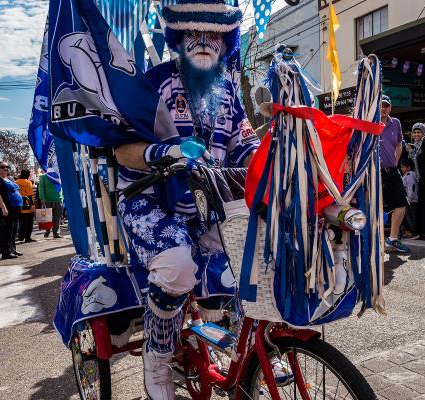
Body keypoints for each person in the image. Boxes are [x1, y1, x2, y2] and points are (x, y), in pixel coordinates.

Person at [113, 2, 260, 397]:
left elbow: (245, 144)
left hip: (210, 199)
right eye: (194, 34)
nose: (203, 43)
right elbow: (121, 150)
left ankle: (259, 351)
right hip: (151, 199)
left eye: (213, 35)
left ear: (224, 43)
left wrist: (275, 160)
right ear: (178, 39)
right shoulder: (153, 82)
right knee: (178, 268)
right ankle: (157, 356)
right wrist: (163, 153)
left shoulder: (228, 88)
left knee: (255, 252)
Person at [379, 95, 410, 253]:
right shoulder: (370, 122)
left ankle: (393, 239)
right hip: (374, 173)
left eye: (386, 105)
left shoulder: (395, 122)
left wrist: (395, 162)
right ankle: (375, 240)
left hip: (392, 171)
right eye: (380, 105)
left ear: (390, 108)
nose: (383, 108)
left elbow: (399, 144)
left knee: (401, 204)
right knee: (375, 206)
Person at [0, 161, 22, 260]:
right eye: (2, 167)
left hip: (13, 209)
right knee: (6, 231)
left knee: (12, 231)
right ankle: (6, 252)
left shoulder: (6, 179)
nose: (5, 168)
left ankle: (12, 249)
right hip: (5, 210)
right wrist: (3, 208)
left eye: (7, 167)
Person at [38, 173, 63, 238]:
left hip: (58, 200)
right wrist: (42, 198)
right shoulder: (44, 177)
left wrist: (62, 198)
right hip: (47, 200)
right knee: (47, 218)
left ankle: (56, 233)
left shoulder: (59, 176)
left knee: (57, 218)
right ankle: (48, 230)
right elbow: (41, 188)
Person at [399, 158, 419, 240]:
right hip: (409, 200)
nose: (401, 169)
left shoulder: (409, 175)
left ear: (409, 167)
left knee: (410, 217)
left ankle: (414, 233)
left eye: (403, 167)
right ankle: (407, 232)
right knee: (407, 217)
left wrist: (409, 199)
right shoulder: (409, 175)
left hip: (410, 201)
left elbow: (411, 188)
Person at [16, 170, 36, 242]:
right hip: (27, 206)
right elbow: (30, 195)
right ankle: (27, 237)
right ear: (27, 175)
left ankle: (21, 236)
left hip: (19, 205)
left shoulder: (16, 182)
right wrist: (32, 205)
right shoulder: (28, 182)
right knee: (29, 223)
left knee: (21, 222)